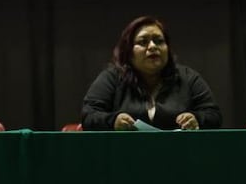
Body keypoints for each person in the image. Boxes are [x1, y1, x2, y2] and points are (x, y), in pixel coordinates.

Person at [81, 16, 222, 131]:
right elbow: (89, 116)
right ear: (128, 51)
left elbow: (214, 115)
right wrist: (112, 121)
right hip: (124, 156)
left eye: (159, 41)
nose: (153, 47)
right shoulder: (112, 78)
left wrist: (196, 118)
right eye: (143, 42)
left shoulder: (187, 77)